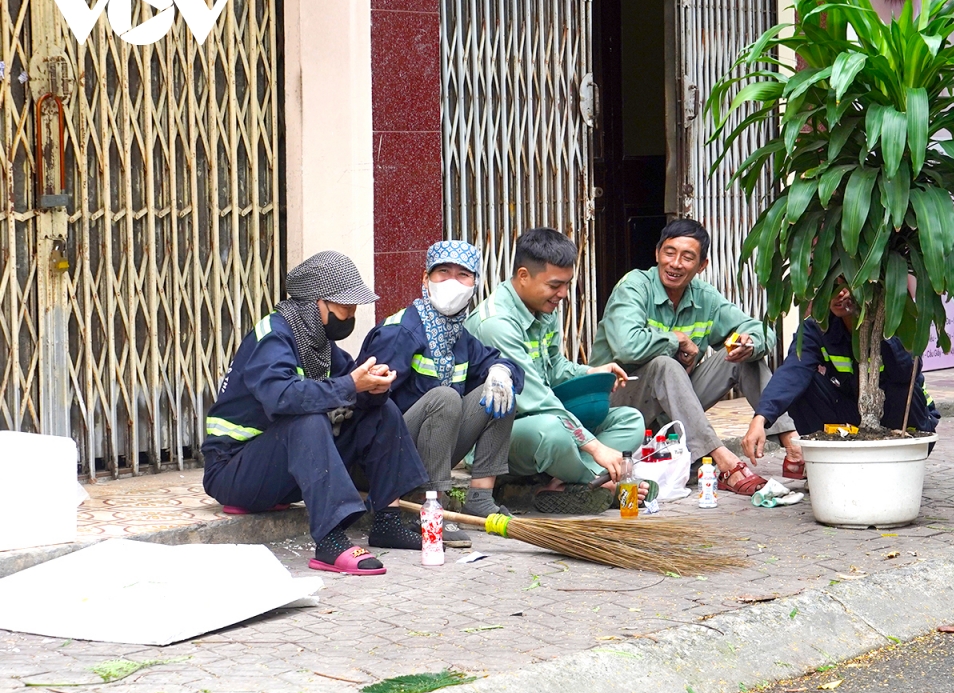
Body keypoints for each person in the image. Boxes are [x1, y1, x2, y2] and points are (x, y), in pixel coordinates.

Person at [202, 251, 428, 576]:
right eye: (345, 307)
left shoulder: (318, 342)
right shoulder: (273, 336)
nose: (350, 315)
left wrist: (373, 388)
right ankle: (330, 541)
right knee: (306, 418)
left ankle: (388, 521)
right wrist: (351, 384)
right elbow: (282, 397)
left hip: (280, 476)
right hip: (232, 473)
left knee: (382, 411)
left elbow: (350, 389)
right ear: (316, 304)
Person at [590, 219, 802, 495]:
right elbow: (626, 347)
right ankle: (723, 460)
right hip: (620, 402)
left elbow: (755, 329)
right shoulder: (634, 286)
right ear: (657, 254)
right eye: (669, 252)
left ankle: (793, 447)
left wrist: (750, 343)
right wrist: (675, 339)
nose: (675, 263)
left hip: (675, 405)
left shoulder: (704, 298)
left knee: (743, 356)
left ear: (702, 265)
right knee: (664, 365)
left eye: (687, 257)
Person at [357, 241, 525, 549]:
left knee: (502, 390)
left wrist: (501, 372)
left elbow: (498, 362)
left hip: (429, 453)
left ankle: (480, 499)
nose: (451, 282)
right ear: (425, 279)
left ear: (475, 284)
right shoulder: (400, 332)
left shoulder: (458, 335)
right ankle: (433, 509)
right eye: (442, 272)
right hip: (384, 459)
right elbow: (365, 410)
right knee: (445, 397)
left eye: (463, 275)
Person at [466, 228, 646, 515]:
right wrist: (595, 447)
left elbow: (555, 367)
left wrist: (590, 372)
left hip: (546, 418)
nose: (563, 294)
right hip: (500, 437)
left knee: (630, 420)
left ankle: (570, 483)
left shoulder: (544, 307)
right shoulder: (497, 325)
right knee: (553, 433)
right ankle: (599, 482)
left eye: (567, 284)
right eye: (554, 285)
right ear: (523, 276)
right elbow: (537, 399)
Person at [741, 286, 940, 477]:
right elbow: (793, 371)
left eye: (847, 284)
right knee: (803, 385)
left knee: (903, 388)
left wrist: (880, 328)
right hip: (852, 416)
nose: (840, 294)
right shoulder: (816, 327)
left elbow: (905, 372)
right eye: (832, 285)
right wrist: (760, 418)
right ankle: (826, 465)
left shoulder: (895, 320)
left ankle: (900, 463)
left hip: (904, 417)